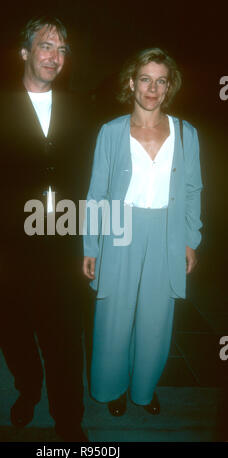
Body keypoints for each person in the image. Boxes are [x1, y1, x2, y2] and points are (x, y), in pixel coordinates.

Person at [0, 16, 91, 441]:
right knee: (14, 330)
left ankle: (69, 420)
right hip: (7, 244)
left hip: (62, 242)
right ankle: (28, 387)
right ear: (24, 52)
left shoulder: (81, 108)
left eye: (62, 49)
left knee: (64, 340)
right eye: (45, 46)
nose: (55, 56)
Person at [83, 48, 203, 416]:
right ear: (131, 83)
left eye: (161, 80)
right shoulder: (111, 132)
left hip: (166, 232)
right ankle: (111, 388)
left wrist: (189, 238)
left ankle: (144, 389)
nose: (153, 88)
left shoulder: (186, 133)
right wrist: (92, 246)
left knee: (156, 318)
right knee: (113, 317)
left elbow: (191, 190)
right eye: (146, 79)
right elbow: (98, 193)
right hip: (120, 231)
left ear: (169, 87)